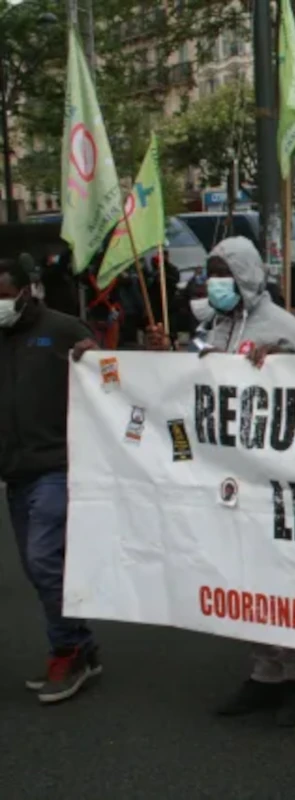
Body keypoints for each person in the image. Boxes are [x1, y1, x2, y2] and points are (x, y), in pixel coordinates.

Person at [180, 238, 295, 726]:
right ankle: (265, 673)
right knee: (241, 575)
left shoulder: (287, 329)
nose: (215, 282)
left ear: (245, 273)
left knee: (284, 577)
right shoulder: (214, 327)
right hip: (227, 474)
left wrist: (280, 362)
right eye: (210, 272)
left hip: (275, 476)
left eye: (224, 272)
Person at [0, 259, 102, 704]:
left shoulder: (61, 329)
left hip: (58, 466)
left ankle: (69, 650)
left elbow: (108, 375)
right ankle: (81, 647)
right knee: (36, 567)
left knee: (43, 558)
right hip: (15, 471)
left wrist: (94, 355)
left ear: (28, 291)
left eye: (4, 294)